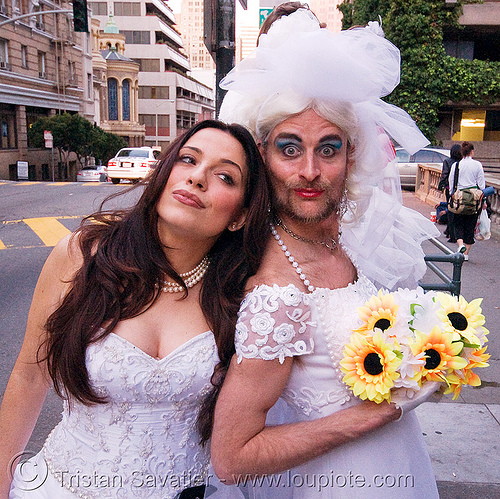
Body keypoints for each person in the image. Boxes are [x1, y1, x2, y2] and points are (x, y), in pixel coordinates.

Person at [203, 10, 442, 498]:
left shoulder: (348, 241)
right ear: (262, 157)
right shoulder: (277, 293)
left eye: (327, 149)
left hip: (399, 467)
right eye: (289, 149)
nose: (309, 170)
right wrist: (379, 412)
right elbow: (232, 457)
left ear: (351, 154)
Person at [0, 120, 270, 498]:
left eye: (225, 177)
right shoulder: (83, 256)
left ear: (240, 215)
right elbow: (29, 378)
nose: (197, 178)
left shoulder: (241, 293)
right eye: (188, 160)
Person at [449, 141, 486, 260]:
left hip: (460, 197)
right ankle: (466, 254)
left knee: (458, 223)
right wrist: (483, 199)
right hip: (473, 198)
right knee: (471, 224)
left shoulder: (456, 165)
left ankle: (460, 245)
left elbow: (451, 182)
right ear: (471, 151)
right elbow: (481, 184)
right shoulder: (477, 165)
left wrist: (452, 195)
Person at [438, 143, 462, 242]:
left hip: (450, 188)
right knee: (459, 211)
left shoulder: (447, 162)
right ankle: (454, 232)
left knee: (451, 209)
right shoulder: (461, 162)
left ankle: (451, 232)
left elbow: (445, 174)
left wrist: (441, 185)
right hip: (461, 189)